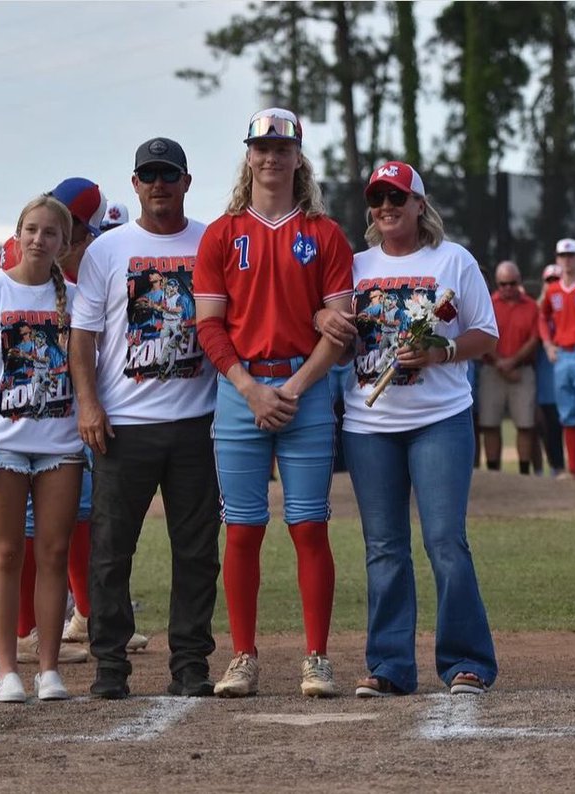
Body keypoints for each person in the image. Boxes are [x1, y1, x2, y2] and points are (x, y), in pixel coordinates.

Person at [194, 108, 352, 698]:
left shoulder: (325, 233)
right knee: (242, 531)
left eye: (280, 149)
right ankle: (243, 656)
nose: (270, 158)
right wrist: (251, 388)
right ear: (249, 155)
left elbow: (337, 331)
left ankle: (316, 657)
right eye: (261, 148)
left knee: (309, 527)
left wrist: (290, 389)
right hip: (241, 392)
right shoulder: (220, 233)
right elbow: (210, 326)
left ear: (297, 157)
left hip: (303, 391)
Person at [339, 161, 498, 697]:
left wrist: (440, 352)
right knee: (383, 547)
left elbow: (486, 334)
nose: (386, 207)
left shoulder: (454, 261)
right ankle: (389, 665)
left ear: (419, 205)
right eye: (378, 199)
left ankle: (467, 661)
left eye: (397, 198)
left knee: (445, 542)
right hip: (368, 423)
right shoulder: (354, 266)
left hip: (439, 421)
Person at [71, 136, 220, 700]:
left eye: (168, 174)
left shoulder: (211, 241)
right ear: (134, 184)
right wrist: (88, 404)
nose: (158, 184)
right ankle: (110, 665)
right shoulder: (108, 252)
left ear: (186, 181)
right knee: (111, 550)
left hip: (197, 420)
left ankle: (190, 663)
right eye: (148, 175)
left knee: (197, 549)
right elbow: (82, 337)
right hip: (124, 424)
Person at [0, 195, 85, 703]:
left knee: (54, 553)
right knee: (7, 553)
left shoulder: (75, 299)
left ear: (63, 243)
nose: (38, 239)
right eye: (30, 229)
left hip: (60, 444)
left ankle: (49, 669)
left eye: (50, 233)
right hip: (3, 447)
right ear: (16, 234)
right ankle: (8, 668)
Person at [539, 237, 575, 479]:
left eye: (572, 256)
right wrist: (548, 344)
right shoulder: (552, 291)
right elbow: (542, 317)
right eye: (563, 256)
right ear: (557, 259)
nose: (567, 260)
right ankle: (574, 469)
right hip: (562, 355)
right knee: (567, 414)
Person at [479, 260, 540, 473]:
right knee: (490, 423)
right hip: (492, 369)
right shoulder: (488, 304)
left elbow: (534, 338)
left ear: (519, 281)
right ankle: (494, 472)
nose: (507, 288)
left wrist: (512, 362)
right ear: (497, 283)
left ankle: (524, 472)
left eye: (512, 283)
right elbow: (481, 335)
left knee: (525, 424)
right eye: (503, 284)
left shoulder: (531, 306)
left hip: (521, 370)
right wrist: (500, 363)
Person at [533, 264, 565, 476]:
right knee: (549, 422)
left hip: (565, 367)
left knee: (572, 419)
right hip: (545, 374)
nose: (552, 285)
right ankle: (555, 465)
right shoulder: (537, 309)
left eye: (556, 280)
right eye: (549, 281)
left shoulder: (567, 304)